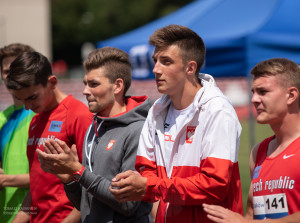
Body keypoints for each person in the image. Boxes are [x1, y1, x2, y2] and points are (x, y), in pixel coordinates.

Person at [109, 24, 243, 223]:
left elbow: (214, 184)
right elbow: (146, 171)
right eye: (156, 61)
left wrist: (148, 186)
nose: (155, 69)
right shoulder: (156, 111)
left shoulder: (217, 110)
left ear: (190, 68)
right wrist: (133, 184)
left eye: (166, 61)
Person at [36, 47, 153, 222]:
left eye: (94, 84)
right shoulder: (94, 127)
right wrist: (69, 179)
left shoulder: (138, 130)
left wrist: (77, 169)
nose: (85, 91)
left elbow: (127, 204)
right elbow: (85, 205)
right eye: (85, 83)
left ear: (118, 86)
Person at [202, 58, 300, 222]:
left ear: (291, 95)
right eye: (253, 92)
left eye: (263, 92)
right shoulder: (258, 152)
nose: (254, 99)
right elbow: (251, 216)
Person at [6, 51, 93, 223]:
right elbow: (36, 186)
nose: (27, 106)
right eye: (21, 100)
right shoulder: (35, 121)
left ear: (52, 82)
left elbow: (92, 186)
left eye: (32, 97)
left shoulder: (78, 115)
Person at [0, 43, 35, 223]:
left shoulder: (40, 115)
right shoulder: (1, 118)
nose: (11, 76)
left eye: (16, 69)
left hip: (35, 214)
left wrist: (5, 180)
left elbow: (48, 177)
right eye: (6, 71)